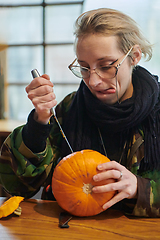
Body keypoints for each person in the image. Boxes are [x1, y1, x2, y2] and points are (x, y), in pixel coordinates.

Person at [0, 8, 160, 217]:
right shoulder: (70, 109)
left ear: (134, 56)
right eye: (84, 68)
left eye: (106, 66)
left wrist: (140, 189)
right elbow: (17, 187)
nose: (93, 82)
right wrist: (39, 122)